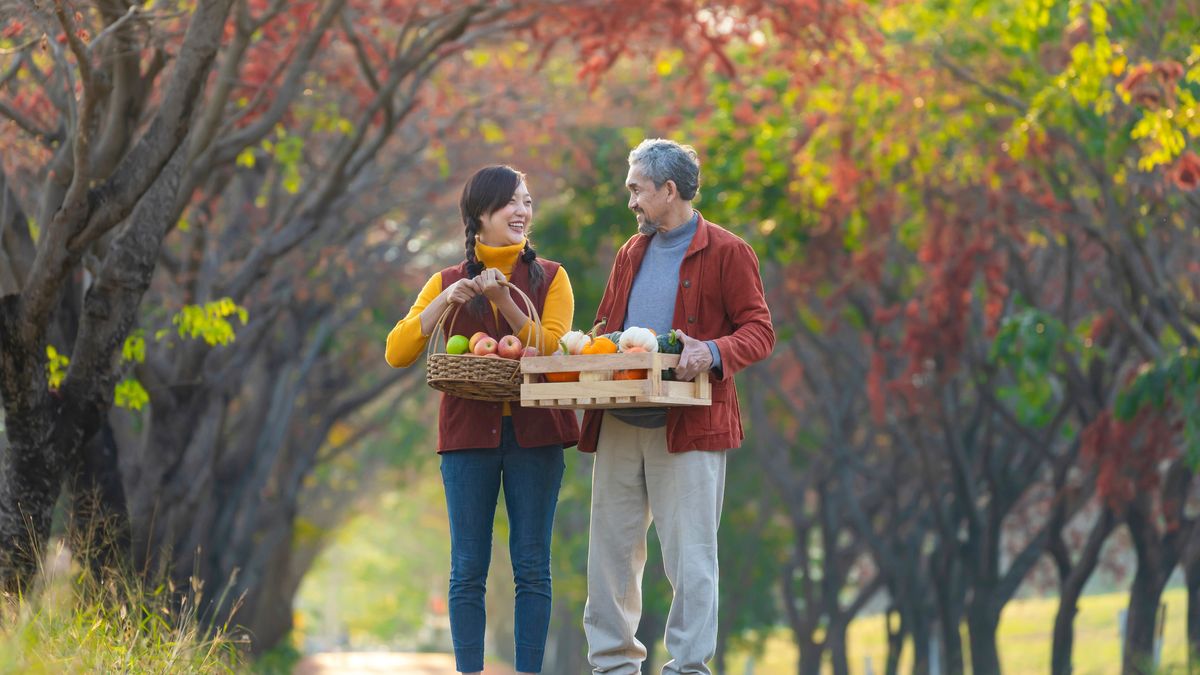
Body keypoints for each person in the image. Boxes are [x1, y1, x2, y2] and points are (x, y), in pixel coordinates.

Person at [579, 139, 775, 675]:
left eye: (637, 191)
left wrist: (710, 351)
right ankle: (613, 666)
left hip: (688, 426)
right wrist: (585, 348)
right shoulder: (630, 253)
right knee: (611, 556)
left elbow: (759, 331)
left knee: (690, 559)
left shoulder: (728, 251)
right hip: (619, 422)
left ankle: (687, 667)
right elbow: (606, 330)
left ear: (670, 190)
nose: (632, 203)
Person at [385, 165, 579, 675]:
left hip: (537, 436)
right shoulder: (446, 280)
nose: (523, 212)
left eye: (528, 202)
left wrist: (505, 305)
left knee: (532, 567)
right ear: (479, 215)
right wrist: (447, 301)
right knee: (467, 568)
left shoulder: (552, 277)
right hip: (468, 436)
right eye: (511, 203)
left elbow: (553, 347)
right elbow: (397, 350)